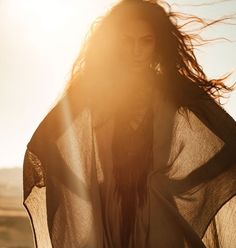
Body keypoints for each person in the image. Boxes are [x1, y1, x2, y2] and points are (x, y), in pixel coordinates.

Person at [23, 0, 236, 247]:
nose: (136, 50)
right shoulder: (92, 92)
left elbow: (229, 148)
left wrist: (182, 185)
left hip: (162, 222)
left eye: (146, 40)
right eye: (127, 41)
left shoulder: (175, 91)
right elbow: (45, 144)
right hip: (106, 222)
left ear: (157, 44)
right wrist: (84, 188)